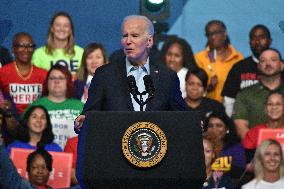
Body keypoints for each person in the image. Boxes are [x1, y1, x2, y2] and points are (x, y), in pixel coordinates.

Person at [75, 15, 185, 130]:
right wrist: (83, 119)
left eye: (134, 36)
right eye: (124, 36)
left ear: (149, 41)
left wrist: (192, 124)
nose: (128, 41)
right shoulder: (104, 75)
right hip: (114, 144)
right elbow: (89, 113)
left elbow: (181, 117)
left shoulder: (167, 77)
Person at [233, 48, 284, 140]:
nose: (268, 64)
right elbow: (241, 127)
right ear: (258, 66)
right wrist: (259, 150)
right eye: (263, 61)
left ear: (282, 65)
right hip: (256, 151)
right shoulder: (245, 94)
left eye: (273, 60)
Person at [27, 65, 83, 148]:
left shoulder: (80, 106)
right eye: (52, 78)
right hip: (42, 155)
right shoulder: (36, 106)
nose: (56, 81)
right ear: (47, 82)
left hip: (75, 154)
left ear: (68, 82)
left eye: (61, 78)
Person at [222, 25, 272, 116]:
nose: (257, 42)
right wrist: (231, 125)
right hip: (244, 124)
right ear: (249, 42)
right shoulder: (239, 68)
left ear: (270, 41)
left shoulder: (280, 67)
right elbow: (229, 100)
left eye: (262, 37)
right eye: (254, 38)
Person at [195, 20, 243, 102]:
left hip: (231, 108)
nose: (213, 37)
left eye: (216, 33)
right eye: (209, 34)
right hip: (207, 108)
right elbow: (193, 88)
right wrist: (209, 88)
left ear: (225, 33)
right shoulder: (199, 58)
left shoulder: (238, 58)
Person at [0, 32, 47, 115]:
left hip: (37, 122)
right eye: (21, 46)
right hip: (10, 121)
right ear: (13, 49)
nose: (26, 50)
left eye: (30, 46)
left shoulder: (43, 74)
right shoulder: (3, 73)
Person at [32, 11, 83, 79]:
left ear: (70, 30)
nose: (62, 29)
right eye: (58, 25)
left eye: (66, 26)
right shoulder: (39, 54)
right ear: (52, 28)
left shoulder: (81, 53)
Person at [243, 92, 284, 162]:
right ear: (265, 109)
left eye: (278, 104)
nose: (274, 107)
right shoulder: (253, 133)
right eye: (270, 104)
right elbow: (247, 164)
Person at [204, 111, 246, 178]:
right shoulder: (200, 144)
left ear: (227, 129)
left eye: (219, 125)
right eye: (210, 126)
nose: (214, 129)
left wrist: (214, 166)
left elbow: (240, 170)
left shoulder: (236, 147)